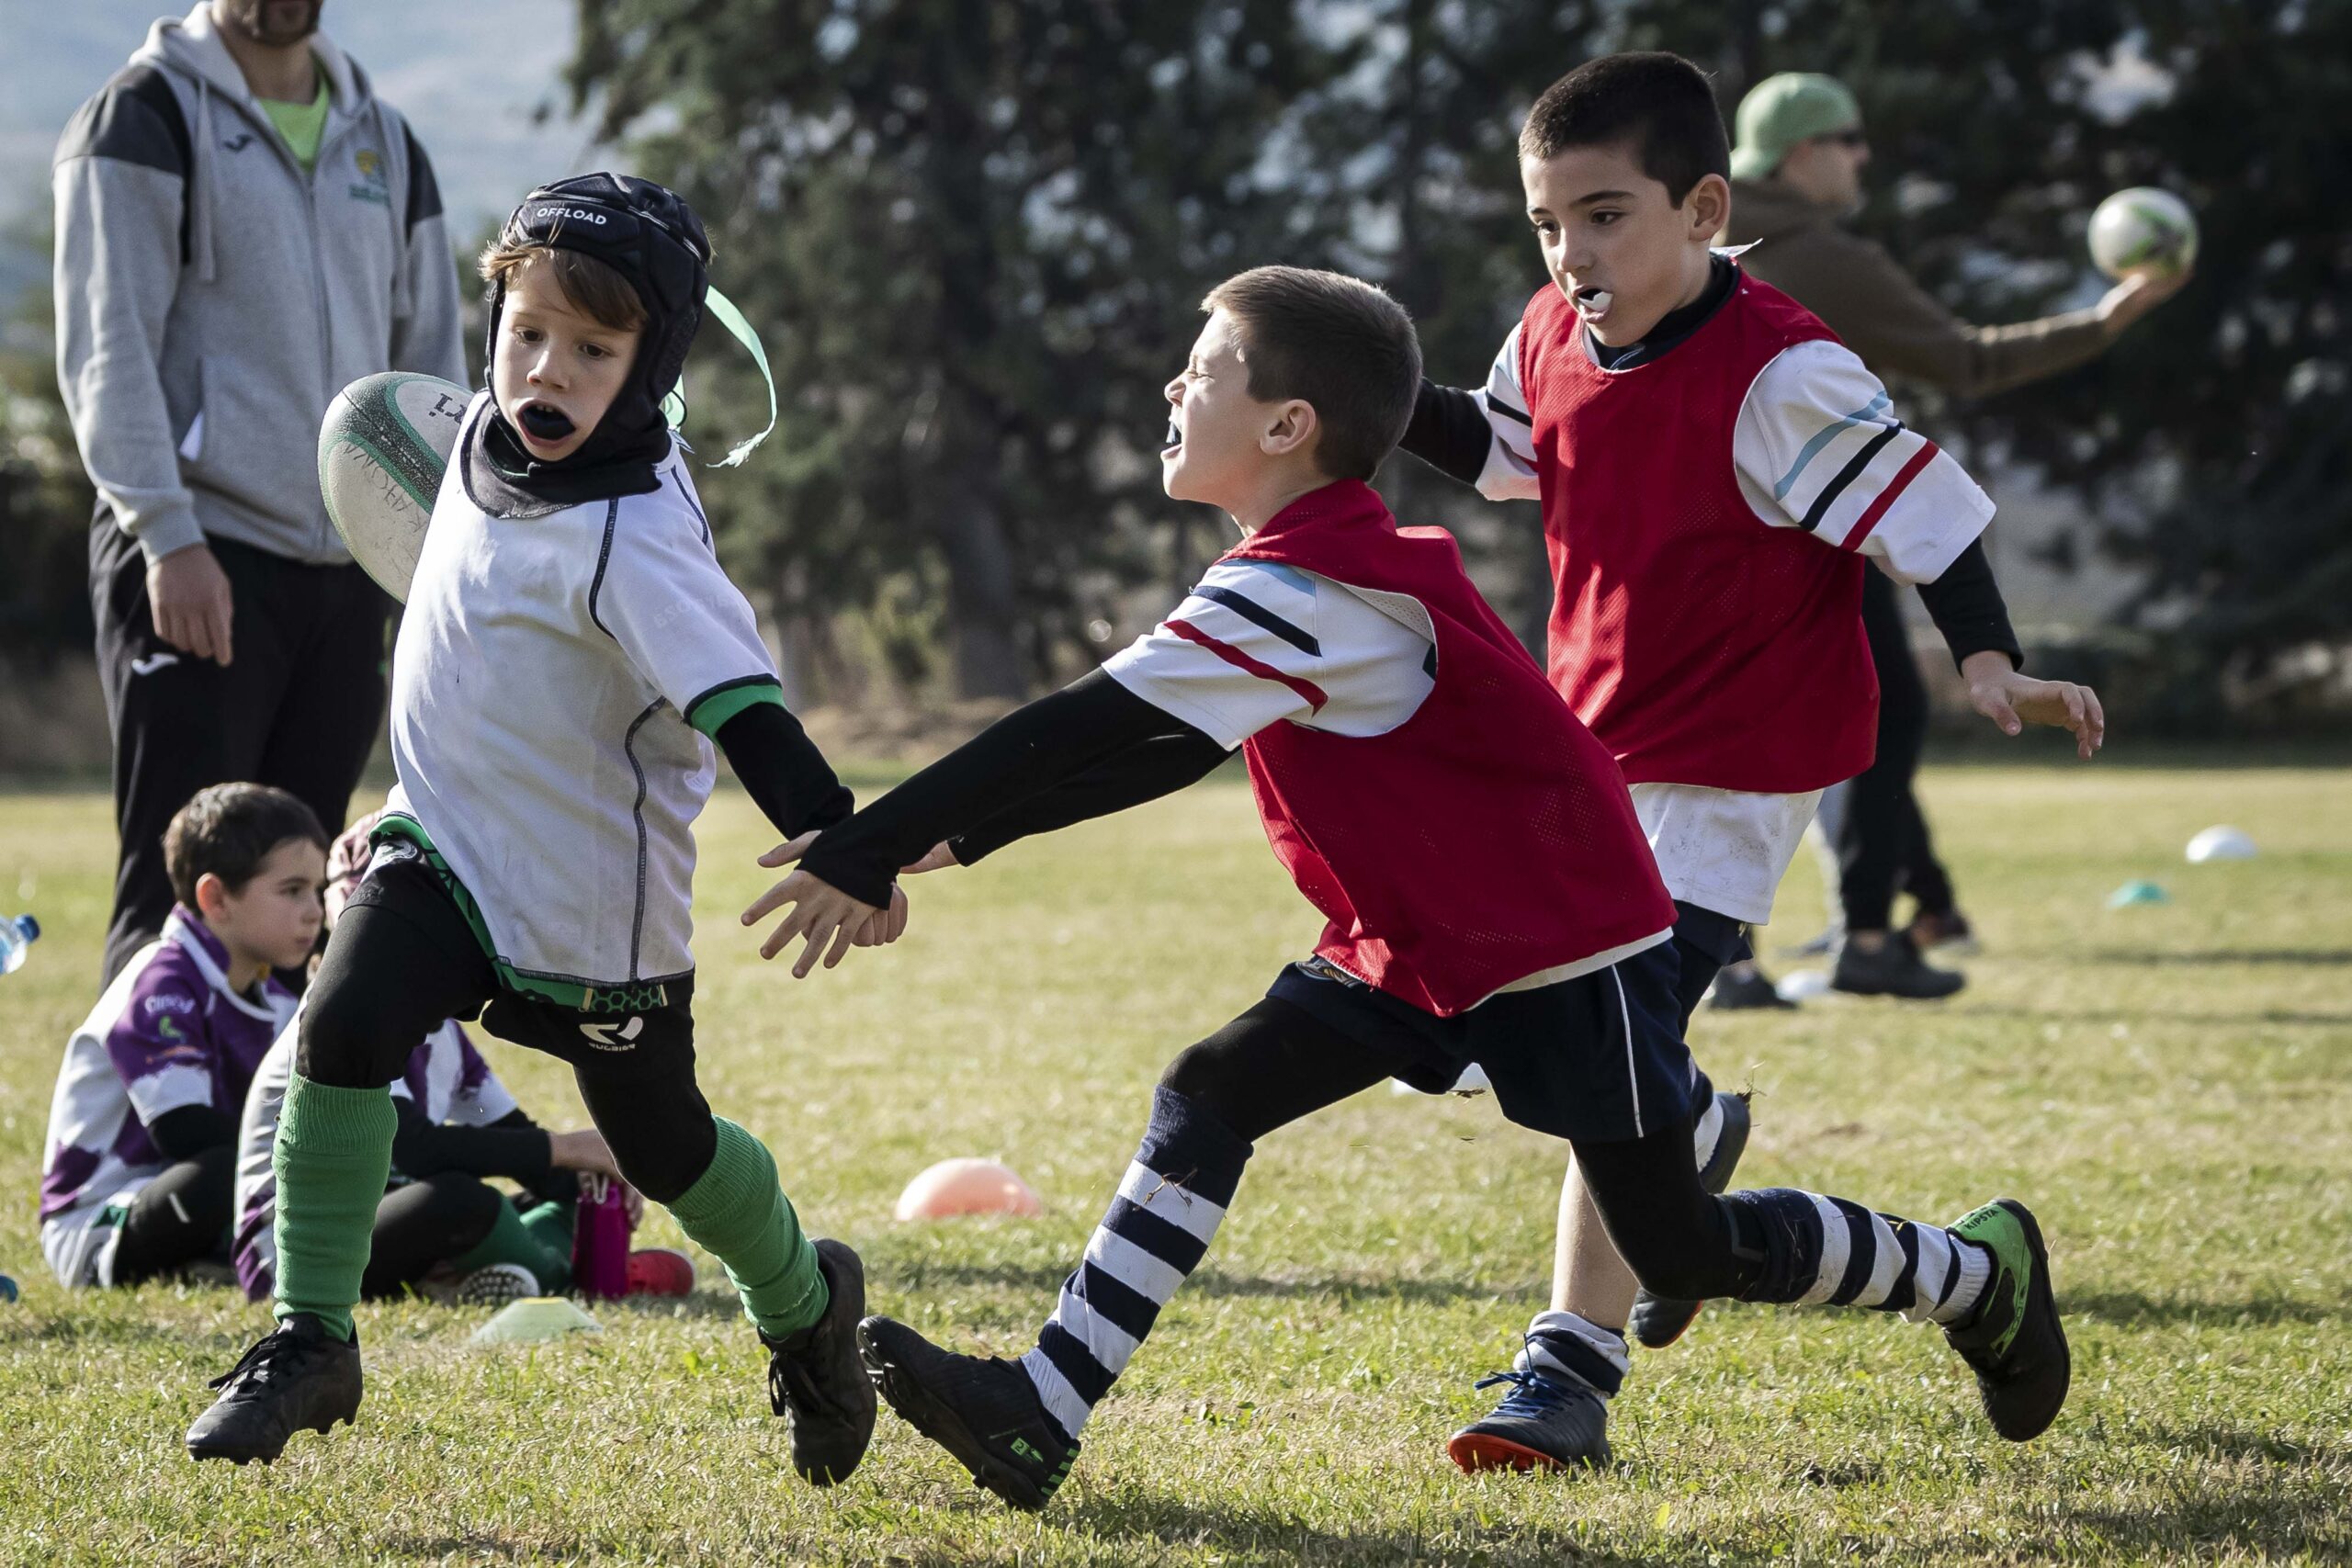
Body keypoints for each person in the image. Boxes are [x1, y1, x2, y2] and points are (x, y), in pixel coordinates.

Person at [741, 264, 2070, 1511]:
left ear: (1288, 424)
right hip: (1426, 936)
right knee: (1214, 1086)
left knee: (1679, 1249)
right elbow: (1148, 748)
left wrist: (872, 840)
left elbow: (1083, 723)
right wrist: (946, 842)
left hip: (1560, 944)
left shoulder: (1313, 585)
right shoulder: (1299, 565)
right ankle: (1042, 1407)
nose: (1171, 389)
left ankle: (1973, 1272)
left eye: (1202, 370)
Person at [1393, 52, 2103, 1471]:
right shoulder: (1549, 328)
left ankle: (1566, 1367)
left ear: (1704, 206)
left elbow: (1930, 514)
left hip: (1735, 772)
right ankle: (1933, 1252)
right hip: (1588, 756)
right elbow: (1507, 454)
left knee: (1598, 1044)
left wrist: (1985, 658)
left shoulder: (1784, 370)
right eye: (1549, 223)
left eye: (1607, 214)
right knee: (1550, 1043)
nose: (1572, 252)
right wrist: (1371, 386)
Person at [183, 175, 895, 1479]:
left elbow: (746, 706)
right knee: (339, 1030)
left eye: (594, 350)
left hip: (586, 902)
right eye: (525, 333)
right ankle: (310, 1334)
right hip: (441, 843)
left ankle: (807, 1308)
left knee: (664, 1143)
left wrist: (843, 837)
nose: (544, 373)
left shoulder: (638, 537)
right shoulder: (477, 437)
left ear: (652, 364)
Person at [1724, 72, 2188, 996]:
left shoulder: (1701, 244)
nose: (1863, 157)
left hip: (1705, 535)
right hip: (1818, 534)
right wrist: (2102, 323)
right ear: (1803, 153)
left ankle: (1743, 960)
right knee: (1879, 720)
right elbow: (1967, 359)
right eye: (1850, 140)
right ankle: (1860, 943)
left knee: (1733, 734)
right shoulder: (1818, 256)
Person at [53, 0, 466, 986]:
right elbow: (109, 352)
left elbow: (429, 372)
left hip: (347, 569)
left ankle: (270, 1142)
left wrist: (430, 554)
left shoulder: (388, 143)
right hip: (201, 552)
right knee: (185, 899)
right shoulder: (142, 116)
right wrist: (165, 534)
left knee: (299, 898)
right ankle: (140, 1140)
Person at [232, 812, 698, 1307]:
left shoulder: (445, 1032)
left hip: (388, 1220)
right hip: (292, 1255)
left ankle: (497, 1271)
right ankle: (570, 1277)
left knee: (570, 1196)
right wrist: (567, 1148)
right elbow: (409, 1147)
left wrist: (590, 1174)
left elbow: (512, 1134)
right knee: (461, 1200)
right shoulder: (335, 1020)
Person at [40, 784, 325, 1291]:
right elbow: (185, 1131)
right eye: (292, 890)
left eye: (318, 891)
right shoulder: (159, 983)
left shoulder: (270, 996)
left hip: (194, 1193)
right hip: (101, 1224)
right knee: (226, 1171)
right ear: (216, 898)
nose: (314, 911)